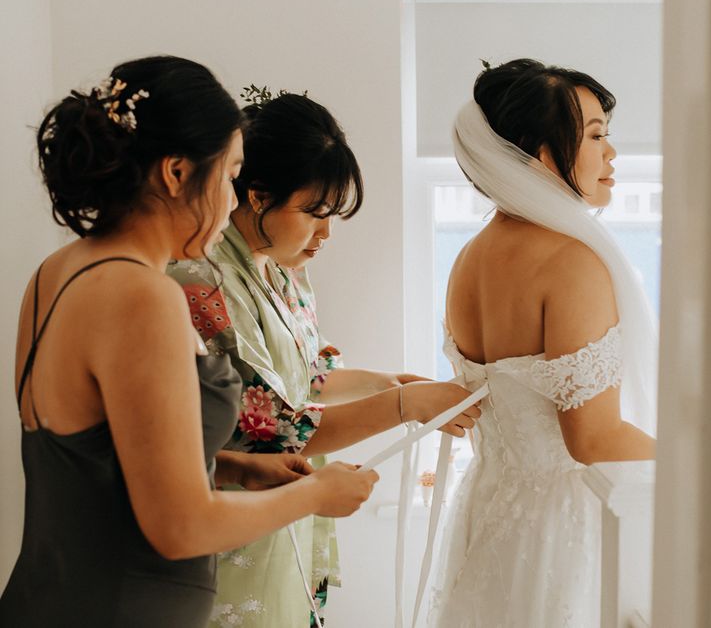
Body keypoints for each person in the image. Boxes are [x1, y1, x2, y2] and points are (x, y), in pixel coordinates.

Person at [0, 56, 379, 628]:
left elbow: (101, 460)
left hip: (51, 594)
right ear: (177, 174)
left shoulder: (59, 270)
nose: (233, 201)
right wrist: (314, 494)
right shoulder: (142, 296)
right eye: (230, 176)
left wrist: (235, 468)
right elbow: (179, 528)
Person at [168, 91, 479, 627]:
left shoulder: (280, 269)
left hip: (283, 507)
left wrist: (380, 383)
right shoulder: (202, 281)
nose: (325, 233)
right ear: (258, 196)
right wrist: (404, 405)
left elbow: (305, 378)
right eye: (314, 213)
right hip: (233, 513)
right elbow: (274, 428)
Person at [427, 59, 658, 627]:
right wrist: (699, 467)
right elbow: (593, 437)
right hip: (563, 529)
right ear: (539, 150)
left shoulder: (470, 258)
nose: (612, 155)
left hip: (491, 517)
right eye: (597, 135)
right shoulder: (570, 262)